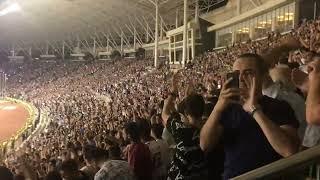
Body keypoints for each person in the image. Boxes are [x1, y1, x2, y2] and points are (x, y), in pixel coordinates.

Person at [200, 53, 300, 179]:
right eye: (236, 74)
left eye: (248, 73)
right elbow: (205, 144)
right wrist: (218, 108)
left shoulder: (279, 106)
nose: (241, 78)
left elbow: (289, 150)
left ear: (263, 77)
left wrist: (255, 111)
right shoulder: (227, 108)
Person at [162, 73, 208, 180]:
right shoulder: (208, 127)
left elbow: (164, 112)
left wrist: (173, 91)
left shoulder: (180, 130)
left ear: (186, 113)